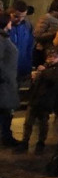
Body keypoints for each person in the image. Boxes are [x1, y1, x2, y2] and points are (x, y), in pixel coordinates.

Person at [17, 45, 58, 153]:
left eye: (54, 56)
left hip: (45, 101)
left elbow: (54, 79)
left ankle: (41, 143)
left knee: (43, 123)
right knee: (28, 122)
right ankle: (25, 141)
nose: (51, 59)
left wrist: (43, 72)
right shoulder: (45, 68)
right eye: (49, 56)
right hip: (35, 99)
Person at [0, 14, 17, 146]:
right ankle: (6, 137)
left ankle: (6, 136)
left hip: (7, 81)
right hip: (4, 83)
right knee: (5, 111)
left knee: (6, 111)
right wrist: (5, 77)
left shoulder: (4, 38)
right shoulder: (1, 40)